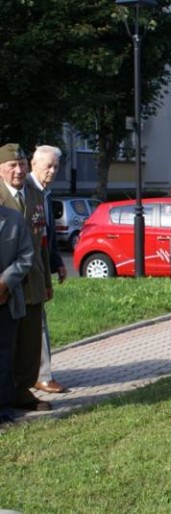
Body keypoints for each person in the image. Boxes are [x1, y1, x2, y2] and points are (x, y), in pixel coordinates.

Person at [0, 143, 52, 412]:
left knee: (31, 341)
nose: (19, 171)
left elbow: (40, 239)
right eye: (12, 165)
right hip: (5, 285)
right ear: (0, 170)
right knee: (7, 343)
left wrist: (48, 280)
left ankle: (22, 391)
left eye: (21, 164)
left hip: (32, 280)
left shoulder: (34, 193)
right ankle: (6, 394)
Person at [27, 145, 67, 394]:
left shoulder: (45, 192)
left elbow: (46, 233)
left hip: (40, 266)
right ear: (34, 165)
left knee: (36, 323)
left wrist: (58, 262)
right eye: (48, 166)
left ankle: (38, 374)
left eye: (56, 167)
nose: (52, 171)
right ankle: (42, 375)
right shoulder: (27, 190)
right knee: (36, 325)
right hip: (26, 269)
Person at [0, 205, 34, 425]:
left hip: (6, 300)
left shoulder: (14, 219)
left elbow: (26, 257)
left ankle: (2, 407)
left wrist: (3, 284)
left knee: (3, 355)